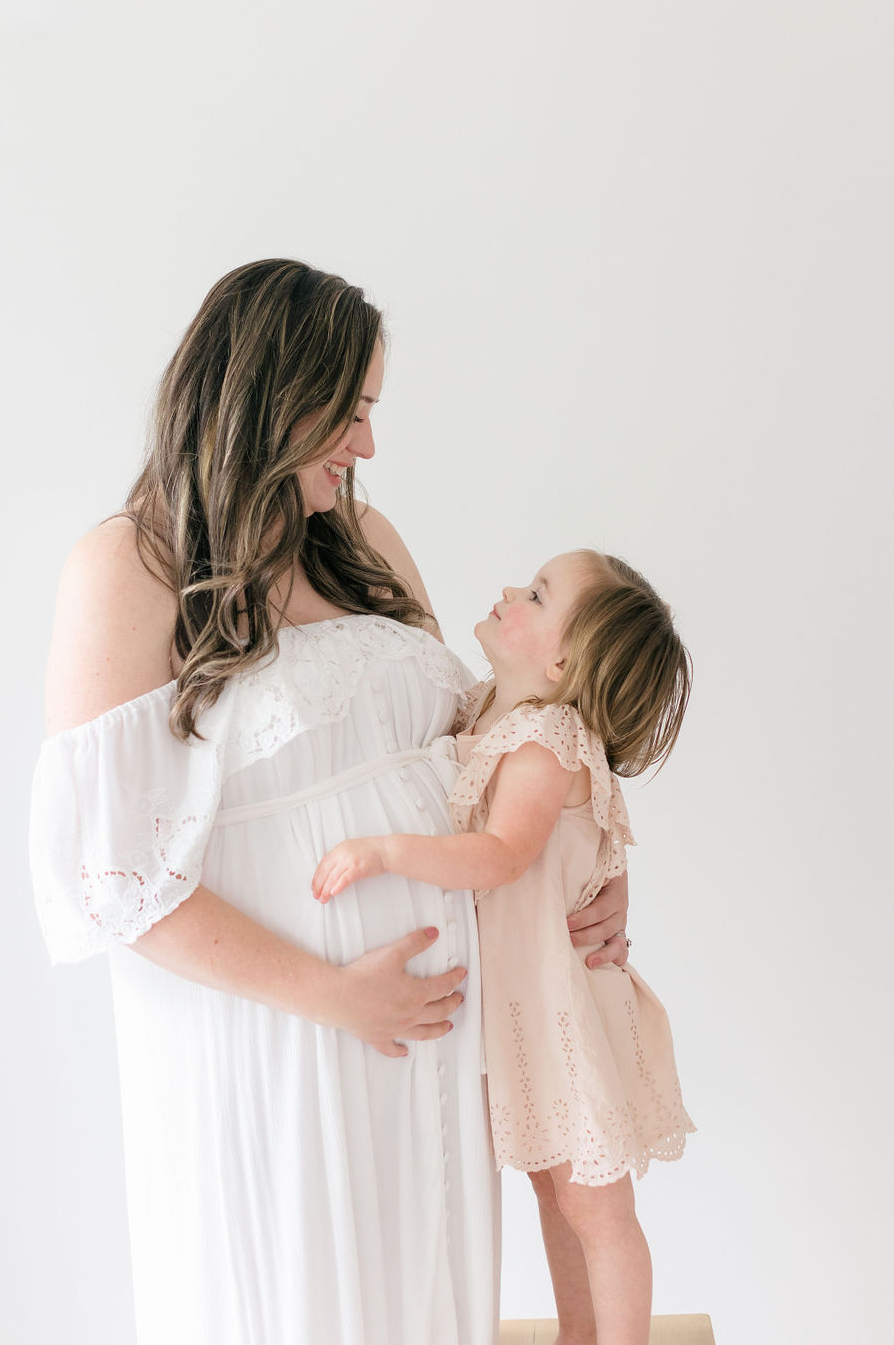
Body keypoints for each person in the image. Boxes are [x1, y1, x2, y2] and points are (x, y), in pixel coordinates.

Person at [29, 260, 631, 1345]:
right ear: (267, 397)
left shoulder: (363, 538)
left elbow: (486, 747)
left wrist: (596, 863)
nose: (364, 446)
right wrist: (331, 993)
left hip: (424, 1042)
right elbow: (109, 880)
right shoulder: (127, 567)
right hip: (268, 1040)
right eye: (347, 413)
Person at [313, 550, 695, 1345]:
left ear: (562, 661)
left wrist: (387, 852)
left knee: (595, 1203)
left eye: (535, 593)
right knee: (555, 1193)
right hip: (528, 1011)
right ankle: (578, 1333)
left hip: (565, 1012)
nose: (507, 591)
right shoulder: (492, 711)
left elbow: (502, 854)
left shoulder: (547, 738)